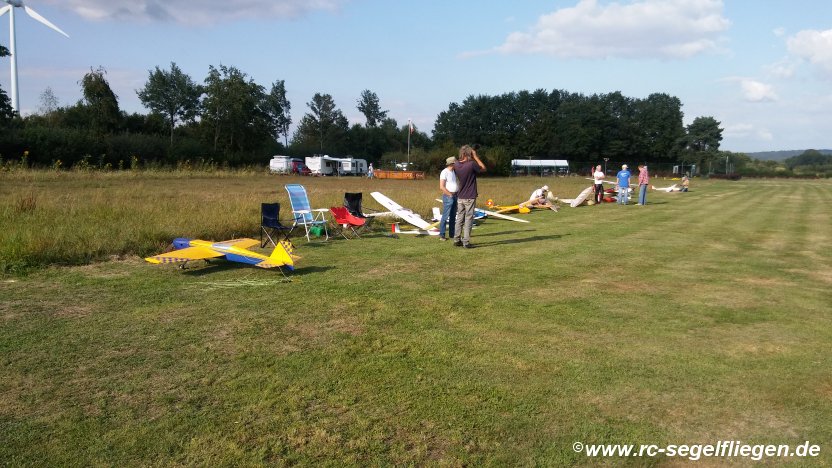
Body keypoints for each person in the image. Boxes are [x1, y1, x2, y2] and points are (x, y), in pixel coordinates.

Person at [453, 144, 486, 248]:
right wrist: (475, 156)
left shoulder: (456, 164)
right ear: (469, 153)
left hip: (460, 196)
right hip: (470, 196)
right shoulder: (471, 164)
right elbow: (483, 168)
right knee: (468, 219)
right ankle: (466, 242)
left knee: (459, 218)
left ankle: (456, 239)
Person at [438, 156, 458, 241]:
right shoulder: (444, 172)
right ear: (452, 163)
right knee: (445, 217)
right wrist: (449, 195)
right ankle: (442, 235)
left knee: (453, 216)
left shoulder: (453, 171)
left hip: (455, 195)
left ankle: (452, 234)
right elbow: (441, 187)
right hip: (448, 196)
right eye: (456, 162)